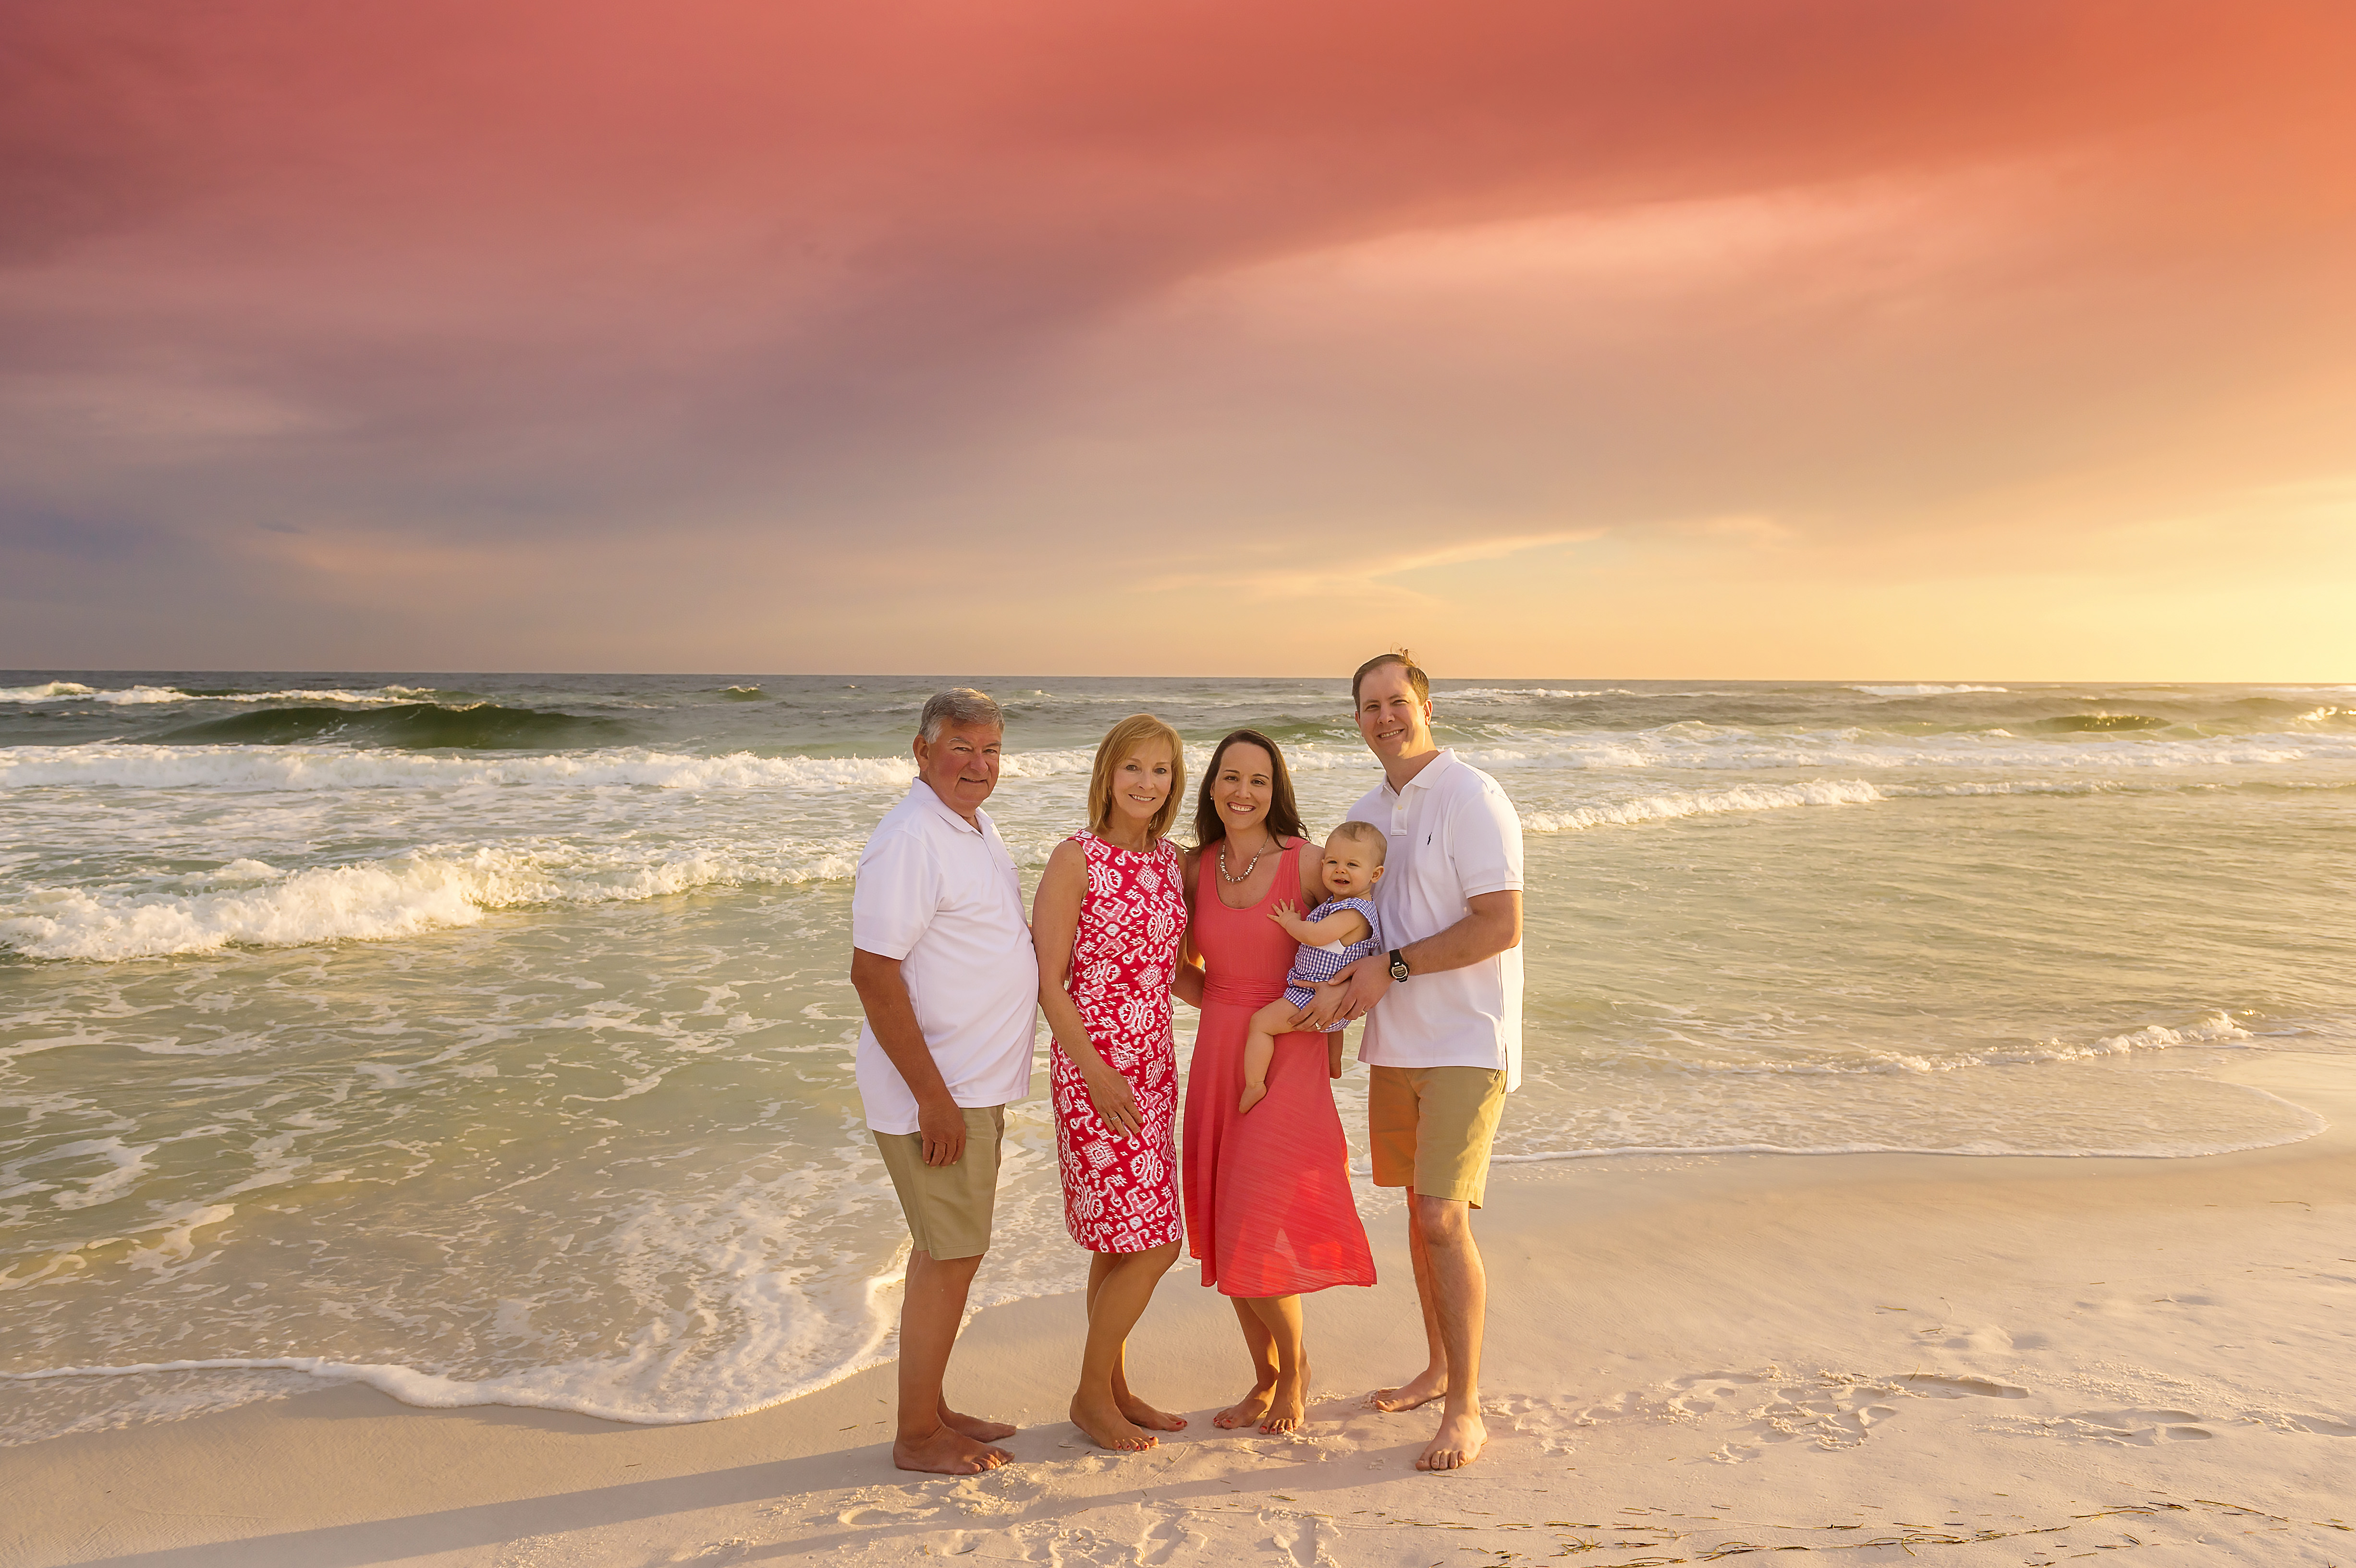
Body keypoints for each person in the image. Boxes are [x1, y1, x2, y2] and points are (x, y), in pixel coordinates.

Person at [1309, 650, 1525, 1473]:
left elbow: (1500, 924)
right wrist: (1321, 1011)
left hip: (1468, 1039)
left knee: (1441, 1218)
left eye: (1397, 701)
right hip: (1393, 1042)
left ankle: (1466, 1407)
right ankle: (1437, 1369)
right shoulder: (1367, 812)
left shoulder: (1473, 796)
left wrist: (1392, 970)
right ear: (1357, 719)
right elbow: (1351, 922)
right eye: (1369, 706)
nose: (1384, 717)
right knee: (1414, 1214)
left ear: (1425, 704)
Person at [847, 687, 1035, 1475]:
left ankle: (931, 1407)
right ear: (921, 752)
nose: (979, 765)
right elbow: (873, 973)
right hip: (938, 1093)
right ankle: (917, 1436)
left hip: (970, 1087)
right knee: (953, 1254)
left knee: (946, 1252)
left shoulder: (974, 826)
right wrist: (934, 1098)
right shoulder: (909, 839)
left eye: (991, 750)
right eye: (961, 748)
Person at [1176, 729, 1376, 1434]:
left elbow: (1372, 928)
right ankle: (1262, 1379)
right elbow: (1179, 968)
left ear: (1275, 790)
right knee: (1230, 1224)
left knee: (1261, 1220)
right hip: (1221, 1054)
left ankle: (1295, 1374)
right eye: (1230, 777)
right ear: (1211, 786)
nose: (1242, 792)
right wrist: (1226, 1005)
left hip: (1283, 1055)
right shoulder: (1198, 868)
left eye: (1258, 781)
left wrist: (1339, 1002)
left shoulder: (1309, 861)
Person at [1032, 714, 1193, 1452]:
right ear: (1108, 772)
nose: (1146, 782)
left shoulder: (1171, 863)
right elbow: (1050, 984)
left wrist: (1267, 1001)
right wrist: (1095, 1072)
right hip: (1095, 1071)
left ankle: (1113, 1388)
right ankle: (1089, 1395)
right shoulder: (1077, 859)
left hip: (1155, 1066)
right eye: (1134, 767)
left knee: (1121, 1241)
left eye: (1160, 770)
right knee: (1156, 1242)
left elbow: (1179, 973)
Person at [1237, 821, 1387, 1114]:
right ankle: (1333, 1066)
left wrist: (1291, 922)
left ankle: (1255, 1084)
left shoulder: (1353, 913)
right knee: (1334, 1031)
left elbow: (1315, 936)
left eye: (1352, 865)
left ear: (1375, 874)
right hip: (1335, 1003)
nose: (1340, 870)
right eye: (1332, 862)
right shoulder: (1340, 905)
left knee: (1261, 1025)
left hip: (1311, 995)